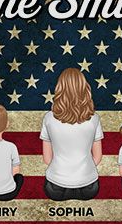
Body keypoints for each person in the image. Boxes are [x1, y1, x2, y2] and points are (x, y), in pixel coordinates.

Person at [41, 68, 103, 201]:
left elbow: (47, 158)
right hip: (89, 188)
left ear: (59, 89)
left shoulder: (48, 118)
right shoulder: (94, 119)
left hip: (55, 188)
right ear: (84, 88)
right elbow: (97, 157)